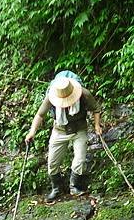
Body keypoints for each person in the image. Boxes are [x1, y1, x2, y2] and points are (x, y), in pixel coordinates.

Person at [25, 71, 102, 202]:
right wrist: (32, 132)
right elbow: (40, 115)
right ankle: (56, 189)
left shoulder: (84, 93)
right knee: (53, 162)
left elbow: (96, 109)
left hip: (79, 129)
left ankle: (74, 186)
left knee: (80, 160)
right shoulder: (51, 96)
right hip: (59, 130)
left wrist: (97, 126)